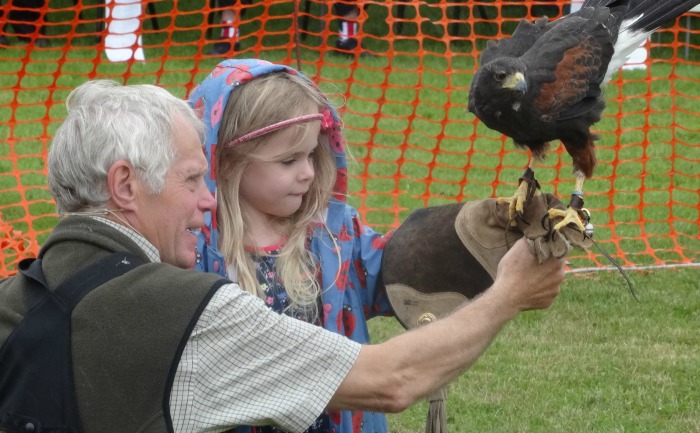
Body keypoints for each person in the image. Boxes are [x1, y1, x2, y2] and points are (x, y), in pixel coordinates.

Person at [0, 78, 566, 433]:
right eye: (194, 177)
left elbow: (386, 267)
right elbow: (393, 380)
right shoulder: (181, 299)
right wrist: (509, 294)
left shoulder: (18, 303)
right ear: (125, 185)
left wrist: (458, 236)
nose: (204, 197)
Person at [189, 59, 395, 433]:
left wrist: (445, 241)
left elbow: (390, 270)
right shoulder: (195, 248)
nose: (309, 172)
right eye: (289, 160)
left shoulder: (332, 232)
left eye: (312, 155)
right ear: (230, 161)